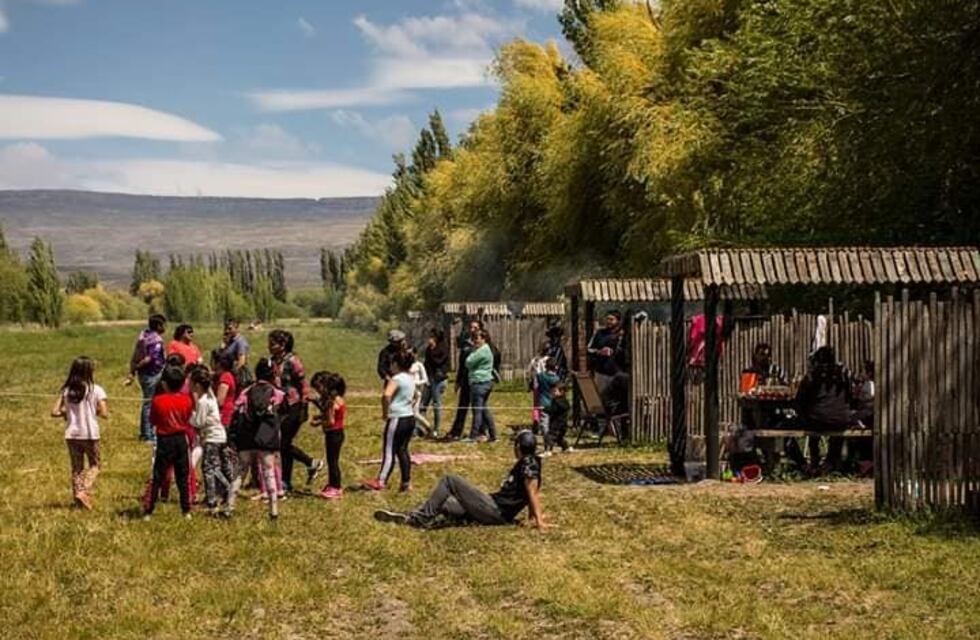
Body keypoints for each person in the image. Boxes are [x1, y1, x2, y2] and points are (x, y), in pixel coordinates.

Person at [373, 430, 546, 529]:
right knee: (447, 502)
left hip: (496, 511)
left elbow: (532, 493)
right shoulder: (529, 462)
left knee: (450, 480)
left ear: (517, 446)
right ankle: (410, 517)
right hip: (492, 507)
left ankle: (421, 518)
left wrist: (539, 522)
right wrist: (531, 518)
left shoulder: (528, 463)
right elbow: (530, 493)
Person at [268, 329, 322, 492]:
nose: (270, 346)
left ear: (283, 345)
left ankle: (309, 463)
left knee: (283, 443)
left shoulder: (293, 361)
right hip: (281, 407)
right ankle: (289, 479)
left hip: (295, 405)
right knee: (283, 443)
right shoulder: (272, 361)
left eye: (273, 343)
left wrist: (304, 407)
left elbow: (303, 385)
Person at [51, 356, 107, 510]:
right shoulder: (96, 389)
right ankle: (84, 490)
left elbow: (54, 412)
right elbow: (104, 413)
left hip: (72, 434)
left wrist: (66, 413)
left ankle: (78, 499)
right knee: (95, 465)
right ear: (89, 371)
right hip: (90, 434)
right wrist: (91, 410)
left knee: (77, 468)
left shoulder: (67, 390)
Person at [231, 357, 283, 519]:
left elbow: (237, 408)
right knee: (268, 471)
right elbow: (283, 409)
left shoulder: (246, 391)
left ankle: (229, 505)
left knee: (241, 471)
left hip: (247, 437)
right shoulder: (277, 393)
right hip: (266, 437)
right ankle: (273, 509)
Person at [143, 366, 194, 520]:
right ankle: (186, 510)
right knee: (182, 476)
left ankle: (149, 510)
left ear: (164, 384)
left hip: (164, 440)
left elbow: (152, 420)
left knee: (158, 475)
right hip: (181, 439)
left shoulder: (158, 400)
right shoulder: (187, 400)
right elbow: (188, 417)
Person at [362, 349, 417, 492]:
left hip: (397, 418)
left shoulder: (397, 379)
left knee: (389, 450)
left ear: (396, 364)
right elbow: (416, 395)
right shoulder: (410, 378)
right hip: (410, 418)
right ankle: (406, 482)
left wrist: (385, 413)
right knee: (403, 450)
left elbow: (386, 395)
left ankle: (381, 481)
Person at [190, 368, 240, 517]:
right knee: (213, 467)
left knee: (208, 469)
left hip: (213, 438)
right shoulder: (209, 398)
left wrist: (188, 415)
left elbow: (199, 422)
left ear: (197, 385)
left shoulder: (204, 401)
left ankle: (215, 498)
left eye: (191, 383)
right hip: (217, 437)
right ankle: (225, 490)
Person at [795, 346, 854, 471]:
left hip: (817, 420)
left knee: (812, 421)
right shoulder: (843, 375)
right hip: (841, 419)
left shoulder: (812, 376)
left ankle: (814, 461)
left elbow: (799, 400)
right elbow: (850, 396)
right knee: (837, 422)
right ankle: (831, 461)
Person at [126, 314, 167, 442]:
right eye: (164, 325)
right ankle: (147, 434)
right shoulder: (156, 340)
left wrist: (133, 371)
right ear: (159, 326)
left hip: (143, 375)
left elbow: (135, 354)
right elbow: (151, 358)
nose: (165, 328)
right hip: (152, 374)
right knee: (149, 404)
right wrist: (140, 365)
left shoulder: (143, 335)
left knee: (147, 403)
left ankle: (147, 432)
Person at [311, 371, 347, 500]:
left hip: (333, 434)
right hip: (338, 433)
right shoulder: (338, 399)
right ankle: (332, 484)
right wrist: (321, 416)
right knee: (332, 460)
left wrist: (318, 422)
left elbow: (331, 421)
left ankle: (336, 487)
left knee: (333, 462)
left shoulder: (331, 402)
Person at [447, 319, 482, 440]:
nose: (472, 330)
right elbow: (462, 364)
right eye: (471, 327)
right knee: (462, 406)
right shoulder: (466, 344)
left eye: (475, 328)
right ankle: (456, 431)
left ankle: (481, 431)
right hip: (466, 381)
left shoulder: (483, 345)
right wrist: (458, 381)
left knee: (478, 408)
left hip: (478, 381)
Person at [587, 310, 626, 402]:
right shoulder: (600, 333)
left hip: (617, 373)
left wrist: (614, 351)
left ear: (618, 321)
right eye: (607, 319)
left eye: (611, 319)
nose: (608, 321)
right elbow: (589, 349)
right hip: (601, 373)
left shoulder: (622, 335)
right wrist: (599, 352)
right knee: (600, 399)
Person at [466, 330, 498, 442]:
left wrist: (473, 350)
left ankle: (473, 436)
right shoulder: (486, 349)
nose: (475, 341)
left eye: (477, 338)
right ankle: (493, 435)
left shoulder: (482, 351)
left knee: (477, 411)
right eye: (474, 338)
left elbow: (468, 362)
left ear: (484, 339)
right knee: (484, 410)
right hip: (485, 382)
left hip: (480, 383)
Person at [420, 328, 450, 438]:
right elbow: (427, 363)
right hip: (429, 378)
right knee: (423, 404)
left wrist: (432, 349)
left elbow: (439, 361)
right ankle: (421, 427)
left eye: (432, 336)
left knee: (436, 405)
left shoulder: (443, 348)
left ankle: (436, 429)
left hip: (439, 380)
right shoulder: (429, 349)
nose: (429, 339)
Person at [535, 357, 561, 446]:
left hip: (543, 403)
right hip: (553, 405)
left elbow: (537, 377)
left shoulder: (540, 376)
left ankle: (547, 441)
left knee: (544, 425)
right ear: (555, 367)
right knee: (553, 424)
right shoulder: (556, 379)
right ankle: (552, 440)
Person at [408, 347, 432, 436]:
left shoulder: (419, 365)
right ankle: (413, 431)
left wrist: (415, 382)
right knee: (408, 413)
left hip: (416, 392)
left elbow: (425, 379)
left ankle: (429, 427)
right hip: (407, 392)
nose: (410, 356)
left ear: (416, 354)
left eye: (412, 354)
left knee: (415, 413)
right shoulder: (406, 365)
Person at [220, 319, 250, 387]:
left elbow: (241, 361)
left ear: (236, 328)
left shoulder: (240, 342)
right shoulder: (230, 341)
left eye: (230, 328)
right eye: (226, 328)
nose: (227, 331)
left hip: (237, 376)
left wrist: (233, 374)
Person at [527, 342, 550, 430]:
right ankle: (545, 421)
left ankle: (536, 420)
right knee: (546, 403)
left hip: (537, 384)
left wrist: (531, 379)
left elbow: (529, 371)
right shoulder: (549, 360)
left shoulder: (535, 360)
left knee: (536, 405)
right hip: (547, 384)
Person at [544, 382, 572, 453]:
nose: (552, 393)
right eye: (552, 391)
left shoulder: (557, 401)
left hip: (556, 424)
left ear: (561, 392)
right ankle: (566, 447)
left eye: (554, 391)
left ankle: (548, 451)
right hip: (563, 425)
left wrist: (546, 409)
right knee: (559, 438)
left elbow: (553, 410)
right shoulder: (565, 401)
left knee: (549, 436)